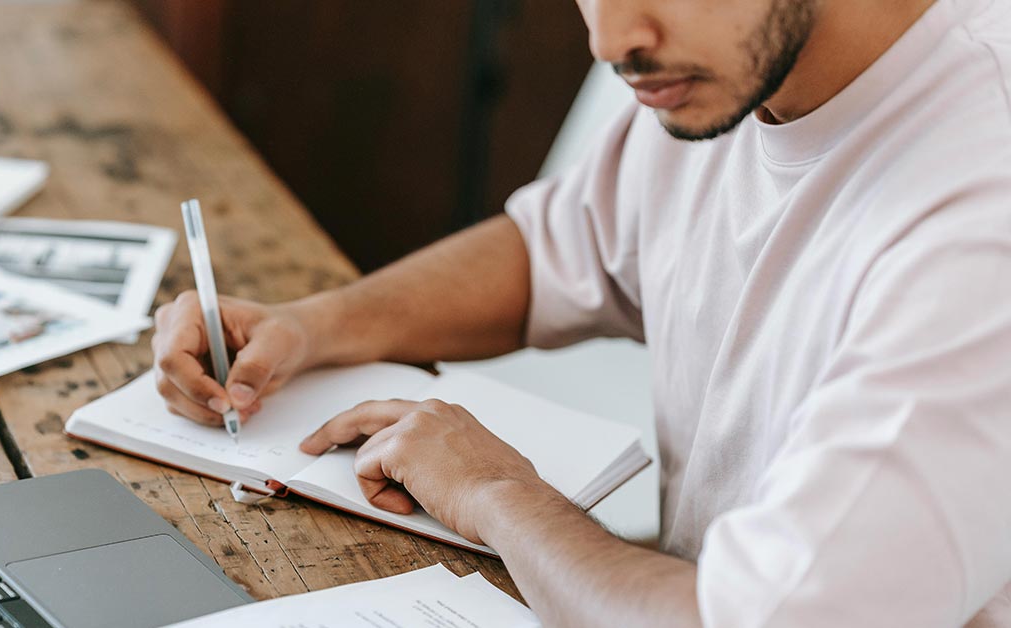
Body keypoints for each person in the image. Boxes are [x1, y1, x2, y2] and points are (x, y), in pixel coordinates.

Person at [153, 0, 1011, 625]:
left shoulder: (979, 213)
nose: (610, 40)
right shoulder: (725, 74)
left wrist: (495, 490)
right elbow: (563, 248)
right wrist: (318, 324)